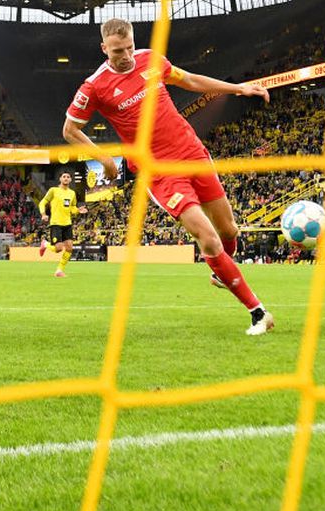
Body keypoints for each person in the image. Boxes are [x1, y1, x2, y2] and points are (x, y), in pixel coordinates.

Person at [62, 18, 274, 335]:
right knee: (208, 237)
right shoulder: (94, 86)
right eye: (118, 50)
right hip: (158, 171)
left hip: (192, 152)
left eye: (130, 47)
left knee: (229, 229)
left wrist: (238, 88)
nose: (126, 55)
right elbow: (69, 129)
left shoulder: (151, 59)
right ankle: (258, 313)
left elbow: (189, 80)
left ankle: (221, 273)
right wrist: (103, 157)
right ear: (104, 48)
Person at [38, 170, 87, 277]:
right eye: (64, 176)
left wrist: (78, 210)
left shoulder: (72, 193)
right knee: (58, 249)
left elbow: (72, 208)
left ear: (70, 179)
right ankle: (45, 244)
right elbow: (43, 202)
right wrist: (43, 214)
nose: (66, 178)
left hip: (67, 223)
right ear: (60, 179)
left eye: (68, 177)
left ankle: (59, 270)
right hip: (56, 223)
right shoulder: (53, 190)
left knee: (69, 248)